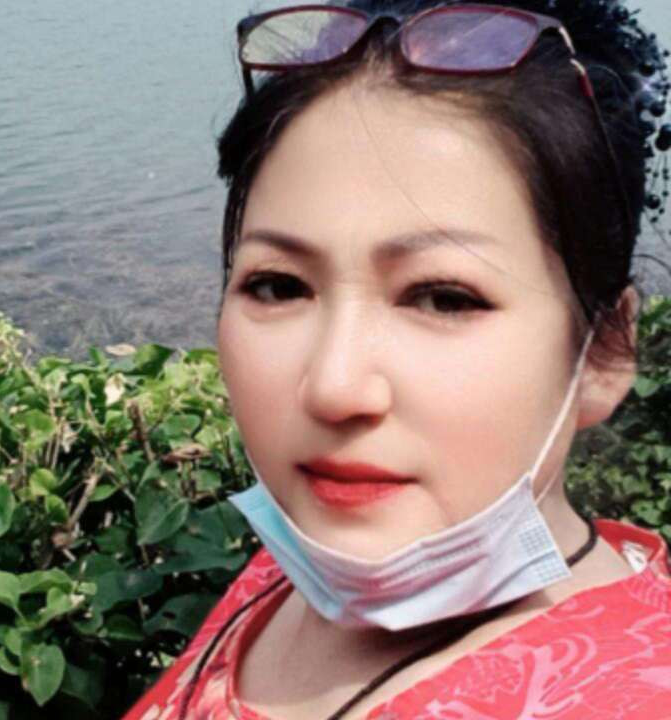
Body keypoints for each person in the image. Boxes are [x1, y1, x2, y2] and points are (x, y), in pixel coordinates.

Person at [122, 0, 671, 718]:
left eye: (444, 298)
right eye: (279, 285)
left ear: (602, 349)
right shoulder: (308, 565)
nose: (335, 387)